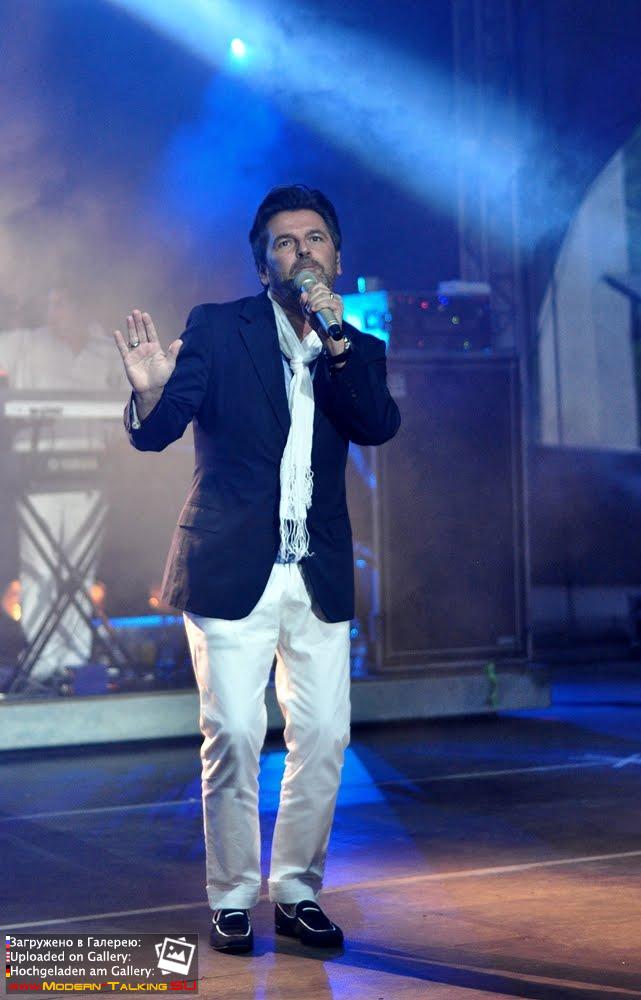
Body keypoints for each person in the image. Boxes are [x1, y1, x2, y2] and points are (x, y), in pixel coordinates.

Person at [114, 185, 400, 952]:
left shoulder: (356, 348)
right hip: (229, 564)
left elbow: (376, 425)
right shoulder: (218, 328)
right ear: (262, 262)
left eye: (314, 239)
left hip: (317, 570)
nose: (301, 252)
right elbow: (160, 430)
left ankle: (297, 891)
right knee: (236, 733)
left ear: (336, 256)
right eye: (284, 242)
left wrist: (338, 346)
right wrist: (149, 393)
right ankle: (232, 896)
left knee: (324, 737)